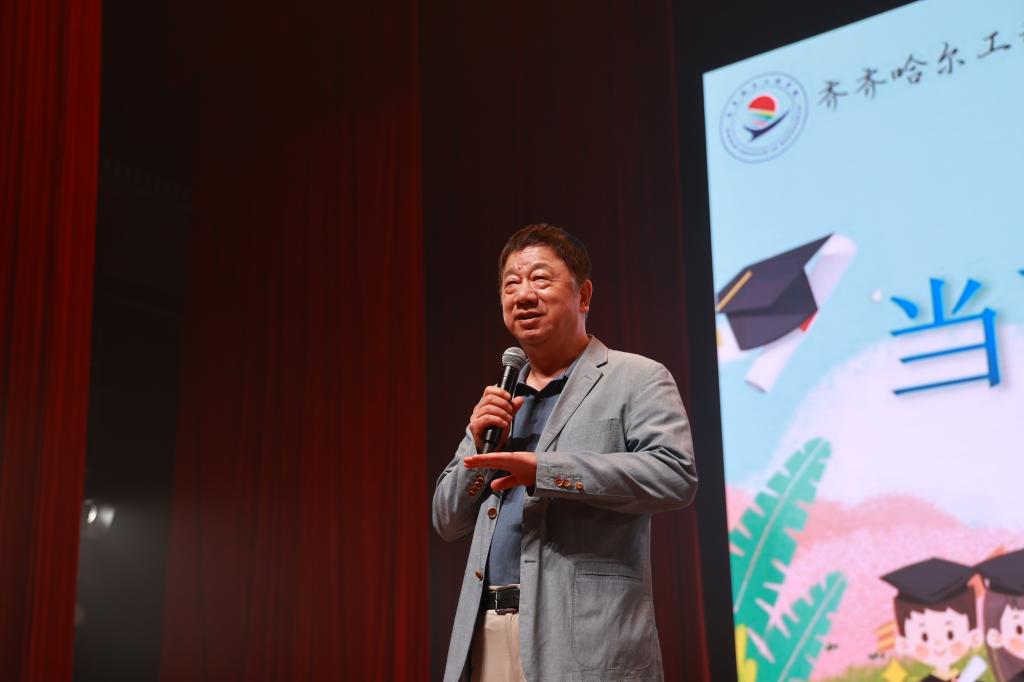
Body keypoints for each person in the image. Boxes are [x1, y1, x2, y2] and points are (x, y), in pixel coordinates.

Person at [432, 224, 698, 681]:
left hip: (585, 638)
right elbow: (446, 520)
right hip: (488, 631)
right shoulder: (500, 400)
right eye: (511, 284)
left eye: (540, 279)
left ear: (583, 294)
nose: (523, 295)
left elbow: (674, 476)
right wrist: (478, 444)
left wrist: (544, 470)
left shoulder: (636, 377)